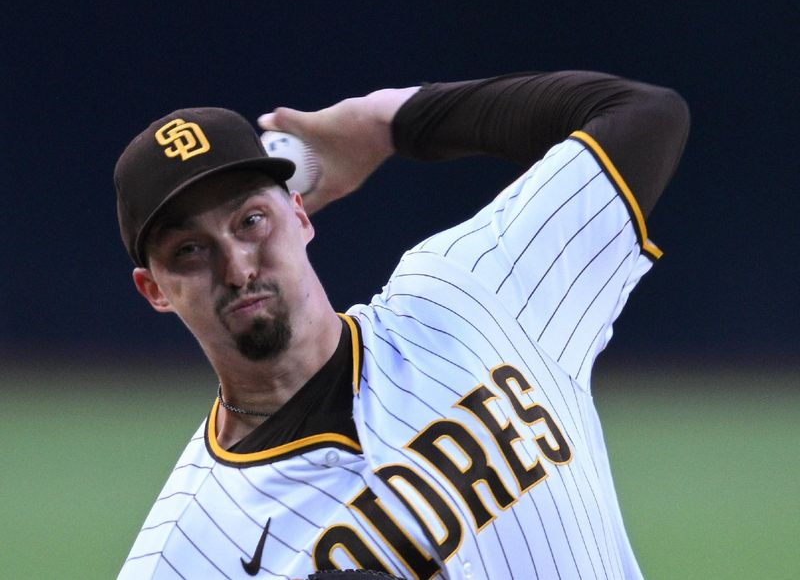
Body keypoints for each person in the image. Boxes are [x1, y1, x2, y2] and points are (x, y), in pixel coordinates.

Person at [114, 70, 689, 579]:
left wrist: (386, 121)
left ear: (298, 214)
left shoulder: (471, 292)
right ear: (154, 290)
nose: (237, 268)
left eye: (251, 220)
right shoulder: (182, 555)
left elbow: (643, 116)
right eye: (190, 250)